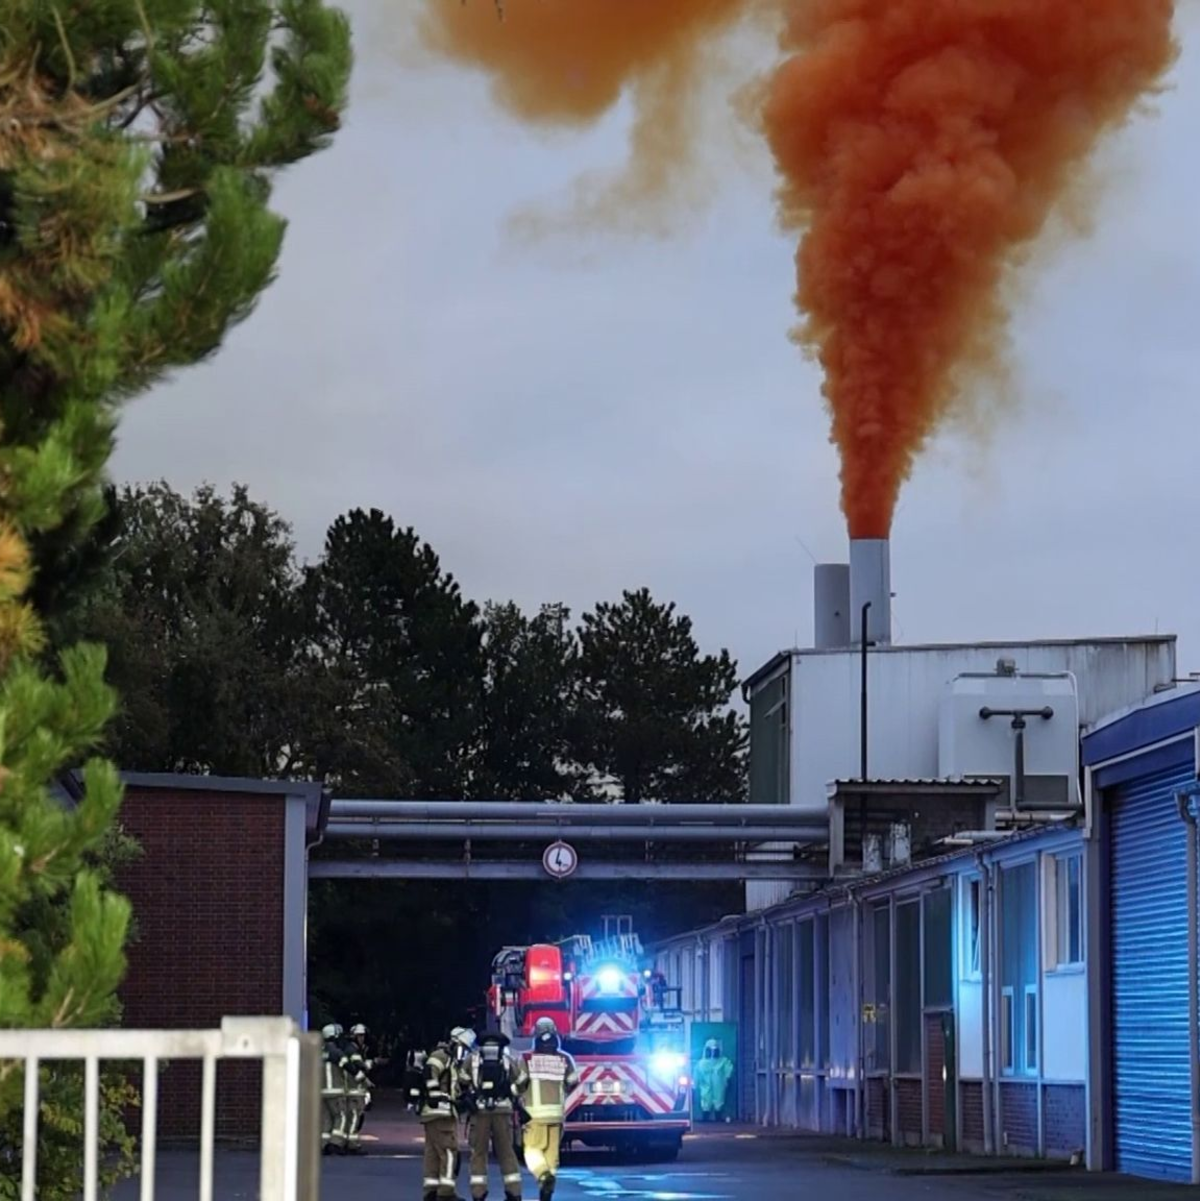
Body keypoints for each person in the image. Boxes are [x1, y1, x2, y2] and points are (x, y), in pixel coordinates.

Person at [463, 1031, 528, 1201]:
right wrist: (511, 1092)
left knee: (478, 1153)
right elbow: (522, 1080)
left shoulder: (473, 1059)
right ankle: (514, 1192)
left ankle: (478, 1193)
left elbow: (461, 1081)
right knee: (507, 1153)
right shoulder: (507, 1060)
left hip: (480, 1111)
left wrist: (470, 1096)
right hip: (503, 1111)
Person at [521, 1017, 579, 1201]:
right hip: (556, 1115)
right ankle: (547, 1192)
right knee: (552, 1156)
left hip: (534, 1116)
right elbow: (573, 1082)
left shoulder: (526, 1058)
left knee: (531, 1151)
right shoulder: (565, 1058)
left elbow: (519, 1084)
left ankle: (543, 1176)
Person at [420, 1026, 477, 1201]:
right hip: (441, 1113)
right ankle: (446, 1193)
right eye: (462, 1049)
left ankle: (431, 1191)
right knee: (450, 1152)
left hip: (435, 1113)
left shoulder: (450, 1060)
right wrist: (436, 1095)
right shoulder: (441, 1056)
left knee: (433, 1153)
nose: (463, 1053)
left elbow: (454, 1086)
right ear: (454, 1043)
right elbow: (430, 1073)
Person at [341, 1028, 374, 1154]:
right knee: (355, 1116)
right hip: (354, 1090)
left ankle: (345, 1142)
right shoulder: (353, 1050)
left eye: (363, 1036)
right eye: (359, 1036)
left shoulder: (352, 1050)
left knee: (351, 1117)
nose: (362, 1039)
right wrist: (370, 1064)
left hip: (353, 1089)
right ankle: (352, 1144)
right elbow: (360, 1066)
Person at [319, 1023, 349, 1156]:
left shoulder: (319, 1051)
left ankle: (323, 1144)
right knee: (341, 1116)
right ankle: (335, 1143)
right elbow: (348, 1067)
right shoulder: (337, 1052)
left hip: (321, 1092)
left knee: (326, 1119)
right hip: (335, 1090)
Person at [694, 1038, 734, 1123]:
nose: (712, 1053)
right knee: (705, 1099)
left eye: (714, 1050)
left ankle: (718, 1118)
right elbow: (696, 1074)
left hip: (719, 1085)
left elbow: (729, 1069)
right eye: (710, 1050)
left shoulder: (723, 1061)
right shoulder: (701, 1063)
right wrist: (696, 1084)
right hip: (706, 1085)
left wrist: (727, 1078)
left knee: (719, 1100)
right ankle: (705, 1118)